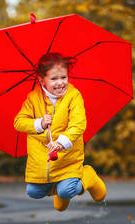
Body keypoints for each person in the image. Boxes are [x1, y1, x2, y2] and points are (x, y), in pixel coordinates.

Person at [14, 52, 106, 211]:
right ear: (41, 80)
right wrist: (39, 123)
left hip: (67, 158)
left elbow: (78, 124)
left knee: (67, 191)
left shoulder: (73, 96)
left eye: (63, 77)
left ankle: (87, 176)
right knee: (33, 192)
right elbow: (19, 122)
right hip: (42, 162)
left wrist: (61, 143)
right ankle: (61, 189)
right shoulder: (33, 98)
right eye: (54, 79)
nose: (60, 83)